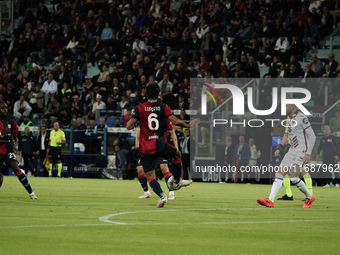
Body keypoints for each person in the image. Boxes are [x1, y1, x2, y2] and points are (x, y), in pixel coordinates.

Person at [127, 82, 200, 208]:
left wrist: (136, 121)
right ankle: (176, 181)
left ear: (146, 93)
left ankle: (162, 196)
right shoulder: (163, 107)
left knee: (150, 175)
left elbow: (129, 126)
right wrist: (188, 125)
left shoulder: (139, 108)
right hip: (159, 144)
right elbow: (175, 121)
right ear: (158, 93)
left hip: (145, 148)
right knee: (177, 154)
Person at [257, 104, 316, 208]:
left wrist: (308, 153)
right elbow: (286, 135)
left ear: (293, 107)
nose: (284, 109)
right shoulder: (288, 119)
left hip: (301, 151)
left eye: (286, 106)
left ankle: (309, 196)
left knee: (293, 178)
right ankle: (270, 200)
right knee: (279, 174)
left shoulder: (302, 118)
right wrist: (279, 147)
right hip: (291, 151)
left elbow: (312, 136)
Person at [0, 100, 38, 199]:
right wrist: (1, 133)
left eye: (6, 108)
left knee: (15, 167)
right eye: (2, 108)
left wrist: (14, 145)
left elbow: (15, 135)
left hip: (7, 149)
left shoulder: (10, 120)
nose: (5, 110)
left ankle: (31, 193)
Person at [136, 121, 176, 200]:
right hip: (147, 150)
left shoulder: (162, 119)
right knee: (140, 170)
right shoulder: (146, 121)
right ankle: (146, 192)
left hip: (160, 148)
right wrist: (137, 145)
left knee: (164, 168)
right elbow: (138, 134)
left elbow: (171, 130)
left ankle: (171, 193)